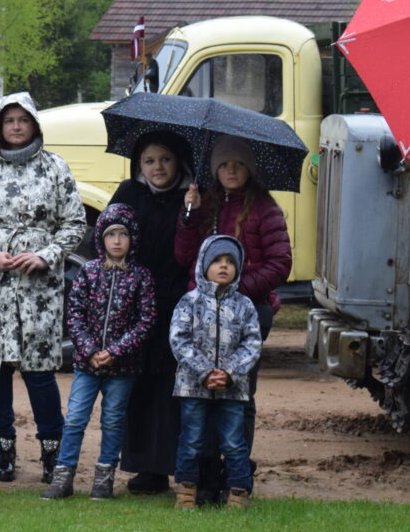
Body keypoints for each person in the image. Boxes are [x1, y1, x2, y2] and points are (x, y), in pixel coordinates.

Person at [0, 92, 86, 483]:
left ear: (35, 124)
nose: (17, 126)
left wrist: (45, 255)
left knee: (39, 371)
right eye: (9, 121)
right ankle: (2, 450)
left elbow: (75, 223)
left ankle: (52, 452)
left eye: (23, 120)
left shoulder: (55, 167)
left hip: (38, 287)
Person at [174, 134, 291, 502]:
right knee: (203, 394)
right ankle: (205, 474)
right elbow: (184, 256)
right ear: (214, 169)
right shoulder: (204, 205)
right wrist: (189, 215)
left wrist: (239, 290)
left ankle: (238, 474)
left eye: (238, 164)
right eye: (224, 164)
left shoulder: (265, 209)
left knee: (240, 395)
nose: (231, 170)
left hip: (249, 309)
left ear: (249, 169)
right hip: (202, 310)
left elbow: (280, 263)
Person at [41, 203, 155, 500]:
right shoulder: (88, 272)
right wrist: (90, 350)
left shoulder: (141, 276)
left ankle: (104, 478)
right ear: (101, 238)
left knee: (113, 421)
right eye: (110, 234)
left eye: (123, 234)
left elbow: (145, 321)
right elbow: (74, 314)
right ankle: (63, 476)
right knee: (75, 418)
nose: (117, 241)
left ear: (133, 239)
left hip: (122, 368)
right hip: (86, 365)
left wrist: (116, 351)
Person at [110, 132, 194, 495]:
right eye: (149, 160)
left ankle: (178, 464)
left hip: (178, 299)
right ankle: (145, 468)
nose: (157, 167)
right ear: (139, 165)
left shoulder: (192, 196)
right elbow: (109, 238)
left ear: (179, 162)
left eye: (165, 159)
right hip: (135, 301)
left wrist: (191, 211)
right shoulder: (129, 193)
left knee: (172, 384)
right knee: (137, 384)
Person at [170, 235, 261, 510]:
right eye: (217, 261)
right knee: (191, 440)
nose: (223, 266)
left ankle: (238, 491)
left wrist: (230, 373)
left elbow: (252, 343)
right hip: (193, 386)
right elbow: (179, 339)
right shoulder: (189, 302)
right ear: (203, 265)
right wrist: (205, 372)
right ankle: (186, 490)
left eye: (230, 262)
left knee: (234, 443)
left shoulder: (245, 305)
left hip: (233, 389)